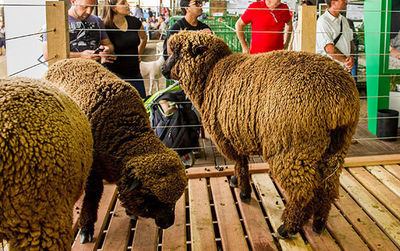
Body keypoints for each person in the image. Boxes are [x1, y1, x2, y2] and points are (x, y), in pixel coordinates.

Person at [43, 0, 114, 64]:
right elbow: (48, 56)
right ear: (73, 1)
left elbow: (108, 44)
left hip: (96, 70)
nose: (89, 11)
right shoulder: (55, 22)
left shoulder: (96, 20)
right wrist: (80, 55)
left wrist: (107, 50)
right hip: (68, 72)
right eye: (84, 7)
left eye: (92, 7)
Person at [102, 0, 148, 98]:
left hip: (135, 72)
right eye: (123, 3)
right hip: (115, 74)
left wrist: (139, 54)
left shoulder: (134, 21)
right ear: (113, 8)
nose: (127, 5)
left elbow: (143, 38)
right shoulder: (105, 26)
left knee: (142, 103)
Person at [316, 0, 354, 72]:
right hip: (329, 70)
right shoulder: (323, 21)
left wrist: (351, 57)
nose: (346, 1)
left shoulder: (344, 20)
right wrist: (346, 61)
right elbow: (329, 48)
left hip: (344, 69)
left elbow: (350, 41)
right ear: (333, 2)